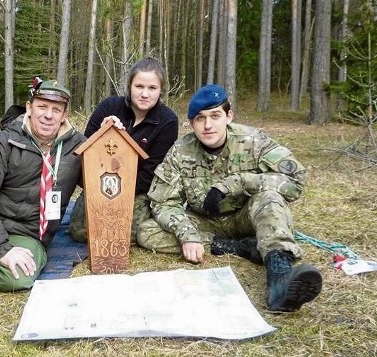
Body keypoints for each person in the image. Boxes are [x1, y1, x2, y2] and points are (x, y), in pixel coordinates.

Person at [137, 84, 323, 312]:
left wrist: (237, 183)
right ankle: (238, 248)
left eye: (215, 116)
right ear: (192, 123)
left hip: (247, 216)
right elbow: (164, 202)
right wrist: (188, 234)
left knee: (269, 198)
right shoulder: (181, 150)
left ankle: (280, 273)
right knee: (146, 231)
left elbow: (296, 179)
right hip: (206, 222)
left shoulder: (253, 141)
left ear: (228, 116)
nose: (207, 125)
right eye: (200, 119)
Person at [0, 77, 86, 291]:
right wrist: (1, 249)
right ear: (29, 108)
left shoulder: (78, 147)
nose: (48, 115)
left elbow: (104, 170)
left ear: (64, 115)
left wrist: (114, 132)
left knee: (20, 277)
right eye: (42, 106)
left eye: (56, 109)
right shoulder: (4, 141)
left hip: (25, 235)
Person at [68, 57, 179, 244]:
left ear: (161, 91)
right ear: (129, 86)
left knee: (124, 234)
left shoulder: (167, 121)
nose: (145, 94)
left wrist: (117, 196)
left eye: (152, 88)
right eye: (139, 86)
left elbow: (152, 172)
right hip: (100, 183)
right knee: (80, 232)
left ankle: (150, 213)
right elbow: (85, 152)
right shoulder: (109, 106)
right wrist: (103, 134)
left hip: (138, 189)